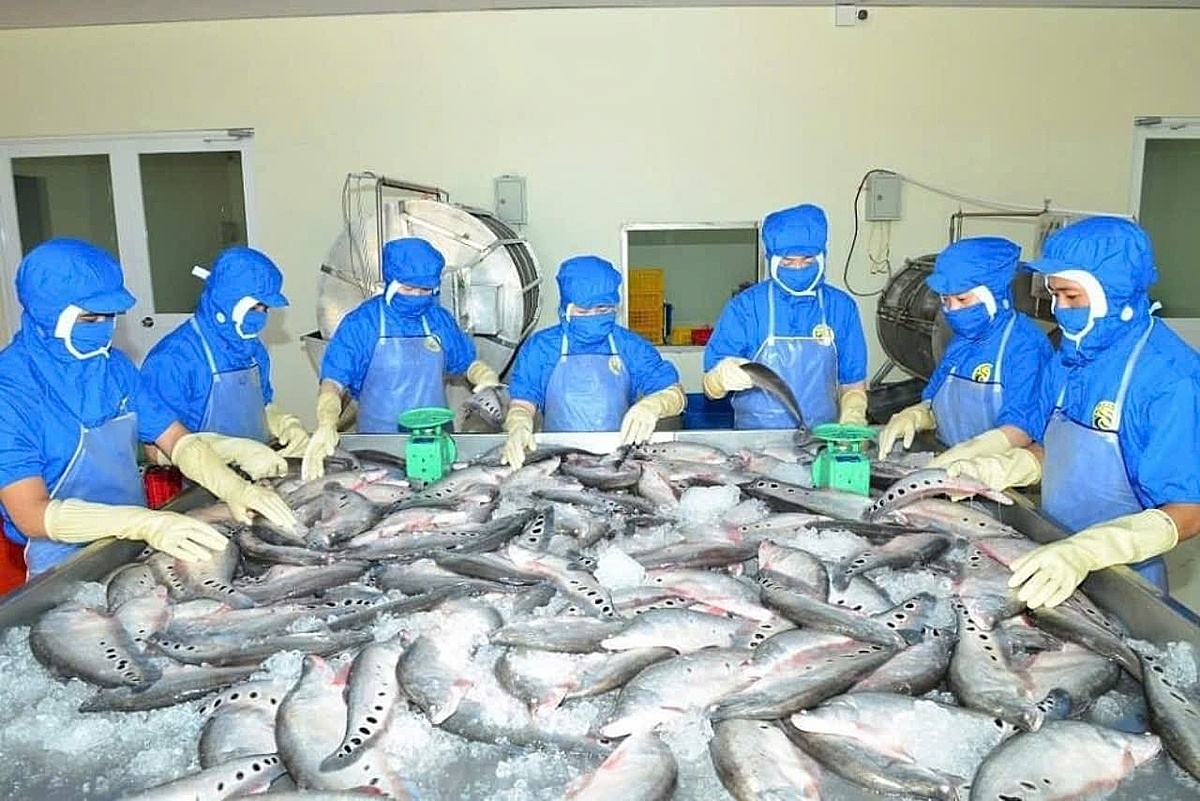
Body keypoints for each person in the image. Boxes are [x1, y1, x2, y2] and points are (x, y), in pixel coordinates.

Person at [936, 217, 1200, 608]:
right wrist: (1003, 468)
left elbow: (1189, 510)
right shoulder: (1070, 357)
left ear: (1114, 292)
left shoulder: (1170, 378)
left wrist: (1089, 549)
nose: (1060, 309)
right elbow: (1055, 447)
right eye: (1055, 295)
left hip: (1124, 575)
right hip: (1051, 547)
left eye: (1071, 297)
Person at [0, 239, 298, 578]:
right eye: (90, 317)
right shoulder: (11, 391)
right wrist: (143, 523)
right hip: (61, 558)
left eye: (110, 316)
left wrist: (234, 487)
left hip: (132, 541)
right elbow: (31, 513)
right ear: (47, 315)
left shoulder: (114, 367)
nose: (104, 327)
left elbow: (176, 440)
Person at [302, 237, 501, 480]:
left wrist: (483, 375)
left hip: (436, 439)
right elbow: (334, 380)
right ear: (391, 282)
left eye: (424, 290)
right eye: (408, 289)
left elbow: (465, 362)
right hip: (379, 444)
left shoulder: (438, 319)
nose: (417, 296)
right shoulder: (363, 323)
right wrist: (327, 420)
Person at [500, 255, 685, 469]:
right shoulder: (541, 348)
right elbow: (523, 401)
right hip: (557, 459)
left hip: (618, 459)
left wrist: (654, 406)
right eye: (583, 311)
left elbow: (675, 393)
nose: (593, 316)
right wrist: (519, 423)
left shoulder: (630, 346)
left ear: (615, 306)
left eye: (602, 309)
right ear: (566, 308)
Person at [878, 237, 1052, 458]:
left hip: (999, 470)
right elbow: (934, 400)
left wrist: (970, 452)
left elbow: (1022, 428)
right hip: (948, 459)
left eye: (962, 299)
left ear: (993, 295)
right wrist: (916, 414)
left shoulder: (1025, 346)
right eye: (945, 300)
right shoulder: (961, 341)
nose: (952, 310)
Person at [702, 203, 869, 429]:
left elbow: (852, 382)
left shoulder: (841, 307)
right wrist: (719, 378)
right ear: (771, 260)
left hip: (821, 437)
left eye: (808, 260)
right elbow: (709, 387)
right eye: (788, 262)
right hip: (754, 440)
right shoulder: (747, 307)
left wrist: (853, 414)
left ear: (822, 256)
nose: (798, 268)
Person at [139, 247, 310, 456]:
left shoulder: (254, 351)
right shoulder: (172, 360)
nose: (261, 317)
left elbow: (262, 405)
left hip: (257, 467)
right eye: (254, 307)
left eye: (265, 308)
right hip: (194, 475)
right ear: (226, 302)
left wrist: (283, 423)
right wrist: (214, 456)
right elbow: (153, 450)